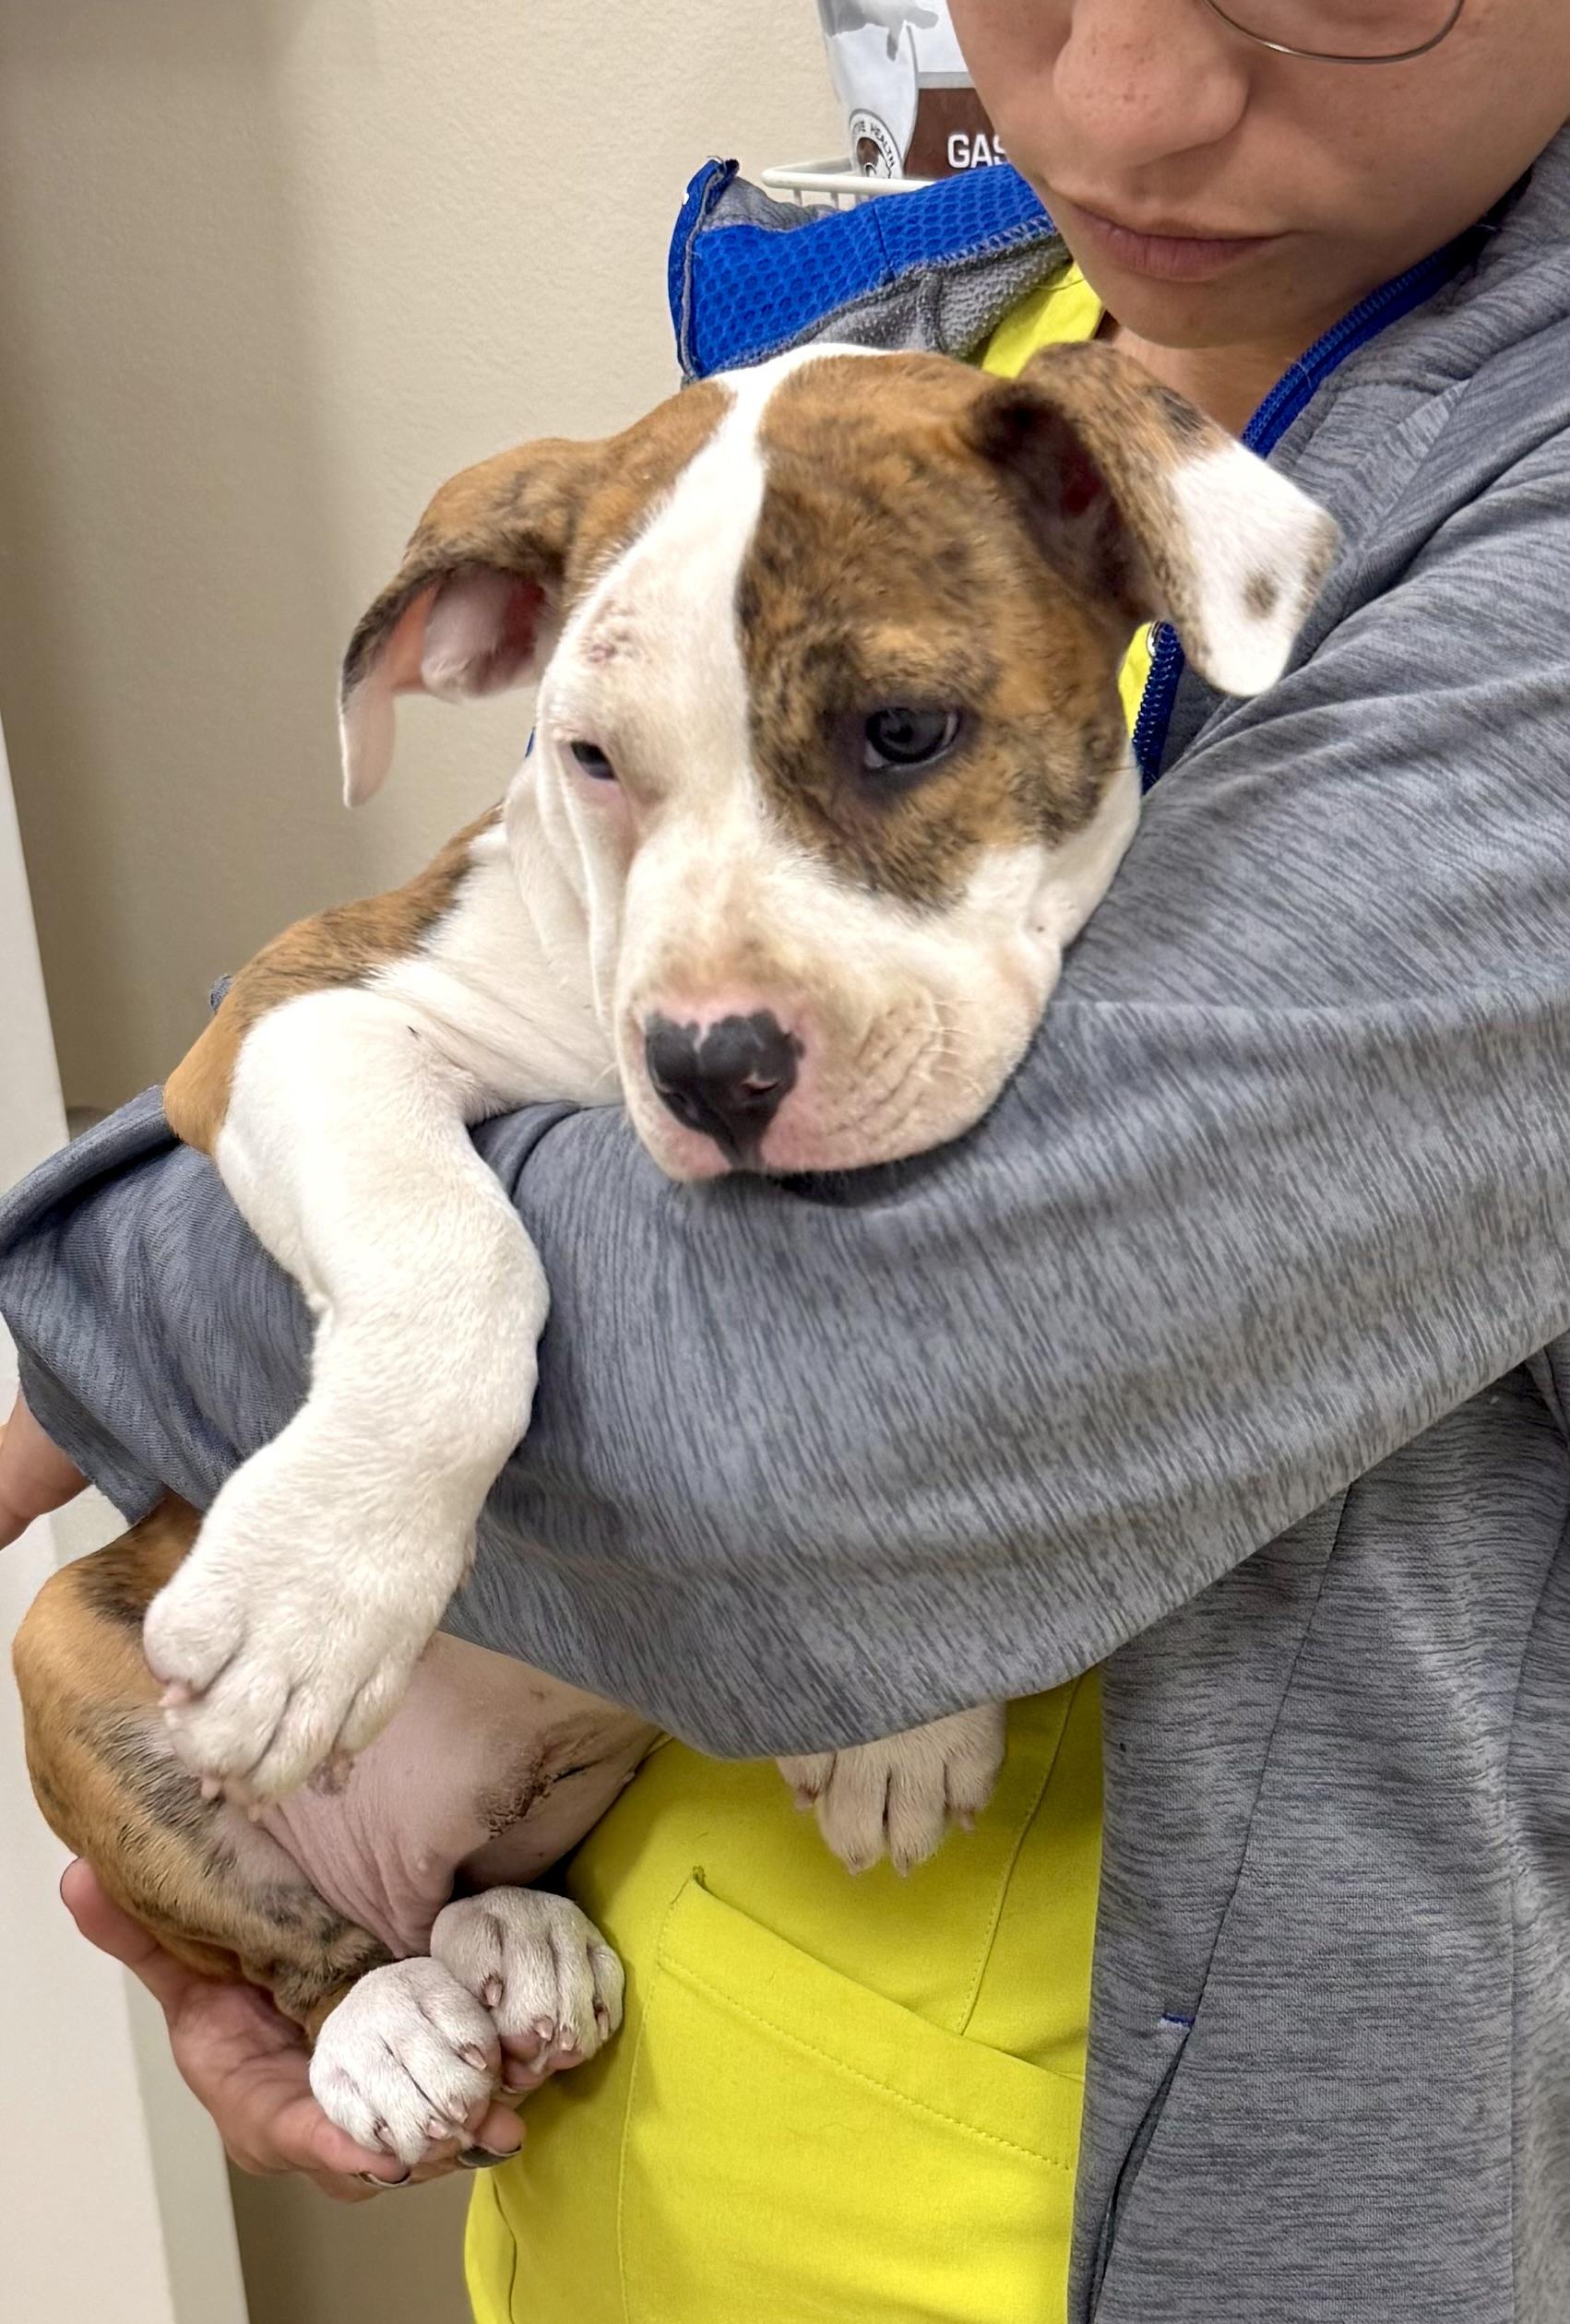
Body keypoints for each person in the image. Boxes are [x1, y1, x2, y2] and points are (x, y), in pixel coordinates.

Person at [5, 0, 1570, 2315]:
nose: (1125, 93)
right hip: (602, 2149)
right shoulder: (891, 357)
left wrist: (138, 1320)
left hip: (1119, 2227)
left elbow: (834, 1441)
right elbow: (335, 1030)